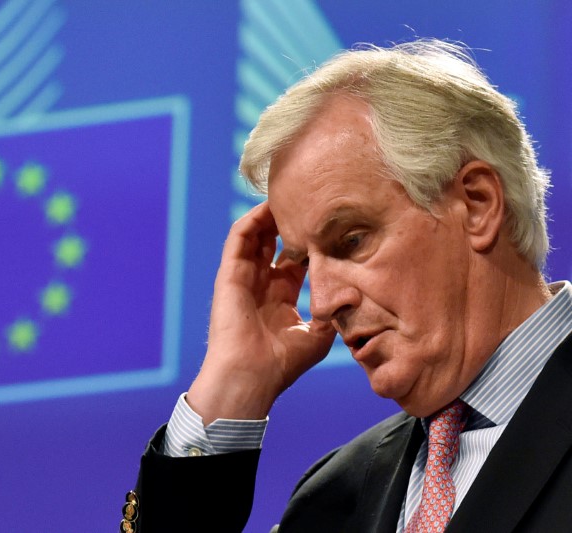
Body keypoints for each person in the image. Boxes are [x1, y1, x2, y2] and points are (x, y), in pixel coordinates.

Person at [120, 39, 572, 533]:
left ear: (477, 204)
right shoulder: (334, 499)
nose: (326, 303)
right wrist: (231, 389)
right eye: (302, 261)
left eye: (351, 240)